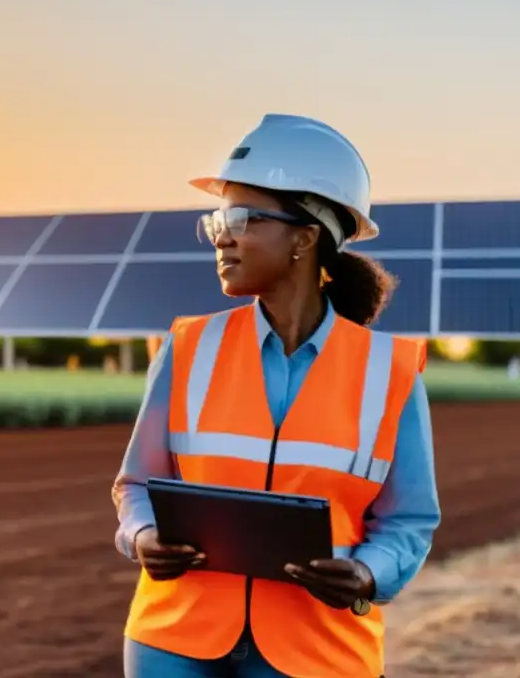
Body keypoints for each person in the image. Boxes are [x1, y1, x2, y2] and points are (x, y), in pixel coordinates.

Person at [112, 113, 441, 678]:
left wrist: (367, 574)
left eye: (242, 218)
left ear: (304, 238)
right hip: (173, 642)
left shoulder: (390, 372)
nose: (222, 234)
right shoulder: (188, 347)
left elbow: (408, 520)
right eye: (218, 218)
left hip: (317, 649)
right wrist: (142, 535)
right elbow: (135, 484)